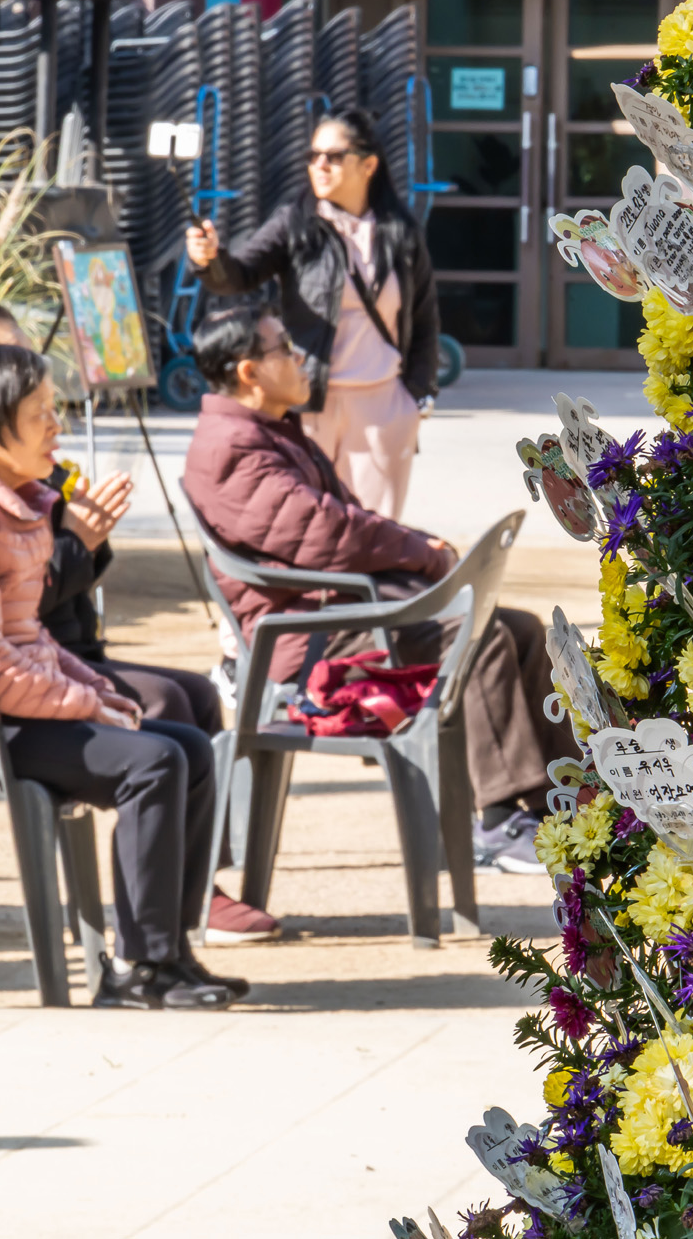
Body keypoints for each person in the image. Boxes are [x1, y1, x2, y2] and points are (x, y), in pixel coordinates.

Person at [0, 342, 245, 1008]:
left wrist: (95, 691)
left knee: (186, 745)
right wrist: (86, 706)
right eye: (40, 415)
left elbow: (24, 631)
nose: (56, 426)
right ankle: (138, 970)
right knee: (151, 762)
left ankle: (171, 952)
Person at [180, 307, 574, 872]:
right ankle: (494, 820)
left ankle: (557, 803)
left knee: (522, 629)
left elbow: (347, 519)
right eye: (284, 349)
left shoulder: (273, 431)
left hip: (345, 608)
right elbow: (324, 532)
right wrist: (421, 554)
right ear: (250, 372)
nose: (298, 358)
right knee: (478, 636)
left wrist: (421, 545)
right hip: (308, 634)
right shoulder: (231, 448)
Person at [184, 108, 439, 522]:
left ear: (368, 164)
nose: (319, 165)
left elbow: (425, 319)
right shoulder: (295, 223)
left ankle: (372, 592)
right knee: (312, 525)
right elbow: (239, 275)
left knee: (379, 531)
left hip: (384, 408)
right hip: (309, 402)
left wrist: (416, 397)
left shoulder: (400, 232)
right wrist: (209, 258)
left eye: (333, 156)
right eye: (313, 155)